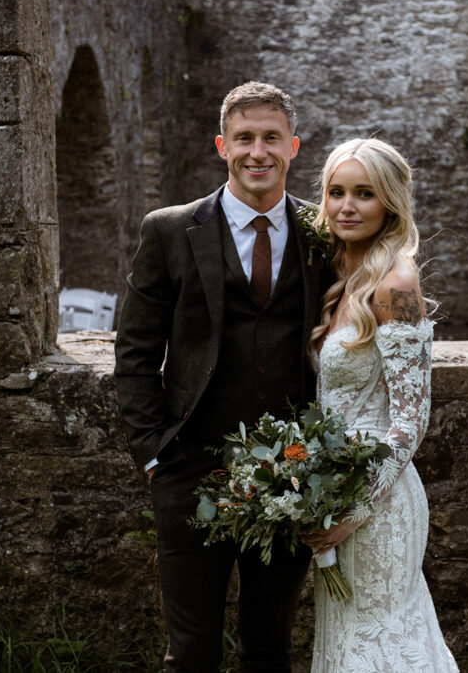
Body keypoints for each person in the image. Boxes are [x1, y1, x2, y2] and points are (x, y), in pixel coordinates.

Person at [114, 81, 326, 672]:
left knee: (269, 650)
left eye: (271, 138)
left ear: (293, 147)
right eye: (244, 138)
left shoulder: (322, 234)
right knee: (191, 654)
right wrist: (154, 453)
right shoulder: (169, 230)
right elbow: (135, 350)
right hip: (189, 466)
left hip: (289, 472)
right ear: (222, 146)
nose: (258, 152)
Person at [301, 138, 459, 672]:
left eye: (364, 194)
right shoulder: (341, 276)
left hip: (378, 503)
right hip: (335, 490)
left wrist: (353, 512)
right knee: (346, 643)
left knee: (383, 641)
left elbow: (410, 421)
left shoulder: (396, 284)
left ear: (389, 203)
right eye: (336, 192)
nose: (347, 206)